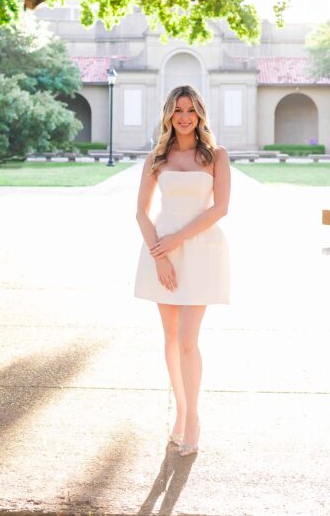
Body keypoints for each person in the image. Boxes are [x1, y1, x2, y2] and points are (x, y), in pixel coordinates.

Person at [134, 85, 231, 457]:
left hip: (202, 250)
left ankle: (193, 418)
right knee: (171, 339)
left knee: (189, 340)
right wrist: (160, 254)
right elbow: (141, 213)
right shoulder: (157, 156)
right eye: (178, 111)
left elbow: (220, 208)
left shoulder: (216, 156)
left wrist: (177, 239)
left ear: (200, 114)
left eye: (190, 110)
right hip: (163, 254)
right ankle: (179, 412)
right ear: (169, 116)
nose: (185, 117)